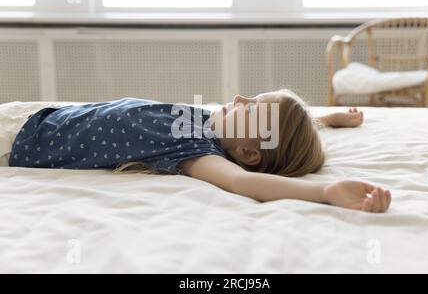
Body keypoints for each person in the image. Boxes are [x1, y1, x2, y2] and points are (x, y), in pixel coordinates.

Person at [2, 89, 390, 213]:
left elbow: (243, 182)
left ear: (249, 152)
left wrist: (324, 191)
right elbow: (280, 127)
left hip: (21, 140)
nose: (238, 97)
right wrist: (329, 118)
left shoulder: (195, 150)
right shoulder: (205, 121)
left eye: (250, 106)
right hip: (39, 114)